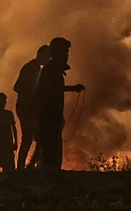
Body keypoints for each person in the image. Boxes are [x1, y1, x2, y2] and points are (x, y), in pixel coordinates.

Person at [34, 37, 84, 171]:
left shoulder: (52, 71)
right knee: (49, 151)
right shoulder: (49, 72)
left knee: (52, 149)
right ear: (55, 53)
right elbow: (46, 93)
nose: (67, 56)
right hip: (48, 117)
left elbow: (54, 89)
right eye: (64, 53)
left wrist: (72, 88)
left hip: (52, 117)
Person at [13, 44, 51, 168]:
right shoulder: (30, 68)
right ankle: (21, 167)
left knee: (36, 137)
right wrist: (31, 94)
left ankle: (28, 166)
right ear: (41, 55)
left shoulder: (37, 69)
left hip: (31, 107)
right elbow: (17, 87)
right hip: (25, 107)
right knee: (29, 137)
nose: (48, 60)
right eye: (47, 56)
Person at [0, 92, 18, 173]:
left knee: (7, 164)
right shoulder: (5, 114)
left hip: (4, 143)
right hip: (3, 143)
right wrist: (16, 142)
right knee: (6, 164)